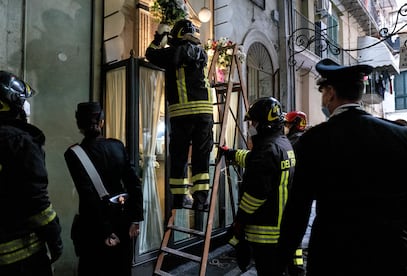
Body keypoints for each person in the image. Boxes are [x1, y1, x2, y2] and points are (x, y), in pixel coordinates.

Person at [274, 58, 407, 276]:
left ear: (330, 92)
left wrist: (280, 260)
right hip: (389, 257)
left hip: (334, 258)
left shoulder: (314, 140)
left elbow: (298, 210)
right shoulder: (401, 136)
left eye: (323, 93)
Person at [220, 97, 302, 275]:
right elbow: (253, 160)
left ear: (265, 124)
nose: (251, 127)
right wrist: (232, 154)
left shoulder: (267, 149)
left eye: (254, 122)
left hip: (266, 234)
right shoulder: (283, 144)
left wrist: (239, 221)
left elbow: (255, 195)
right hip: (282, 228)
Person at [64, 102, 143, 276]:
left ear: (79, 124)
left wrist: (106, 231)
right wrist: (135, 219)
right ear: (102, 121)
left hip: (94, 226)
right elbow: (134, 183)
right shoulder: (117, 145)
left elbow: (88, 196)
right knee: (122, 269)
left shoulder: (73, 153)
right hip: (123, 221)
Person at [145, 19, 214, 210]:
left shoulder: (175, 52)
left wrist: (159, 37)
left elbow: (150, 54)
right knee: (201, 156)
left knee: (179, 155)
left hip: (182, 113)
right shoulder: (200, 52)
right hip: (203, 113)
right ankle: (200, 200)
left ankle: (179, 198)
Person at [0, 71, 63, 275]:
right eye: (23, 100)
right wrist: (55, 240)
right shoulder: (20, 142)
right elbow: (38, 204)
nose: (27, 106)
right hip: (22, 259)